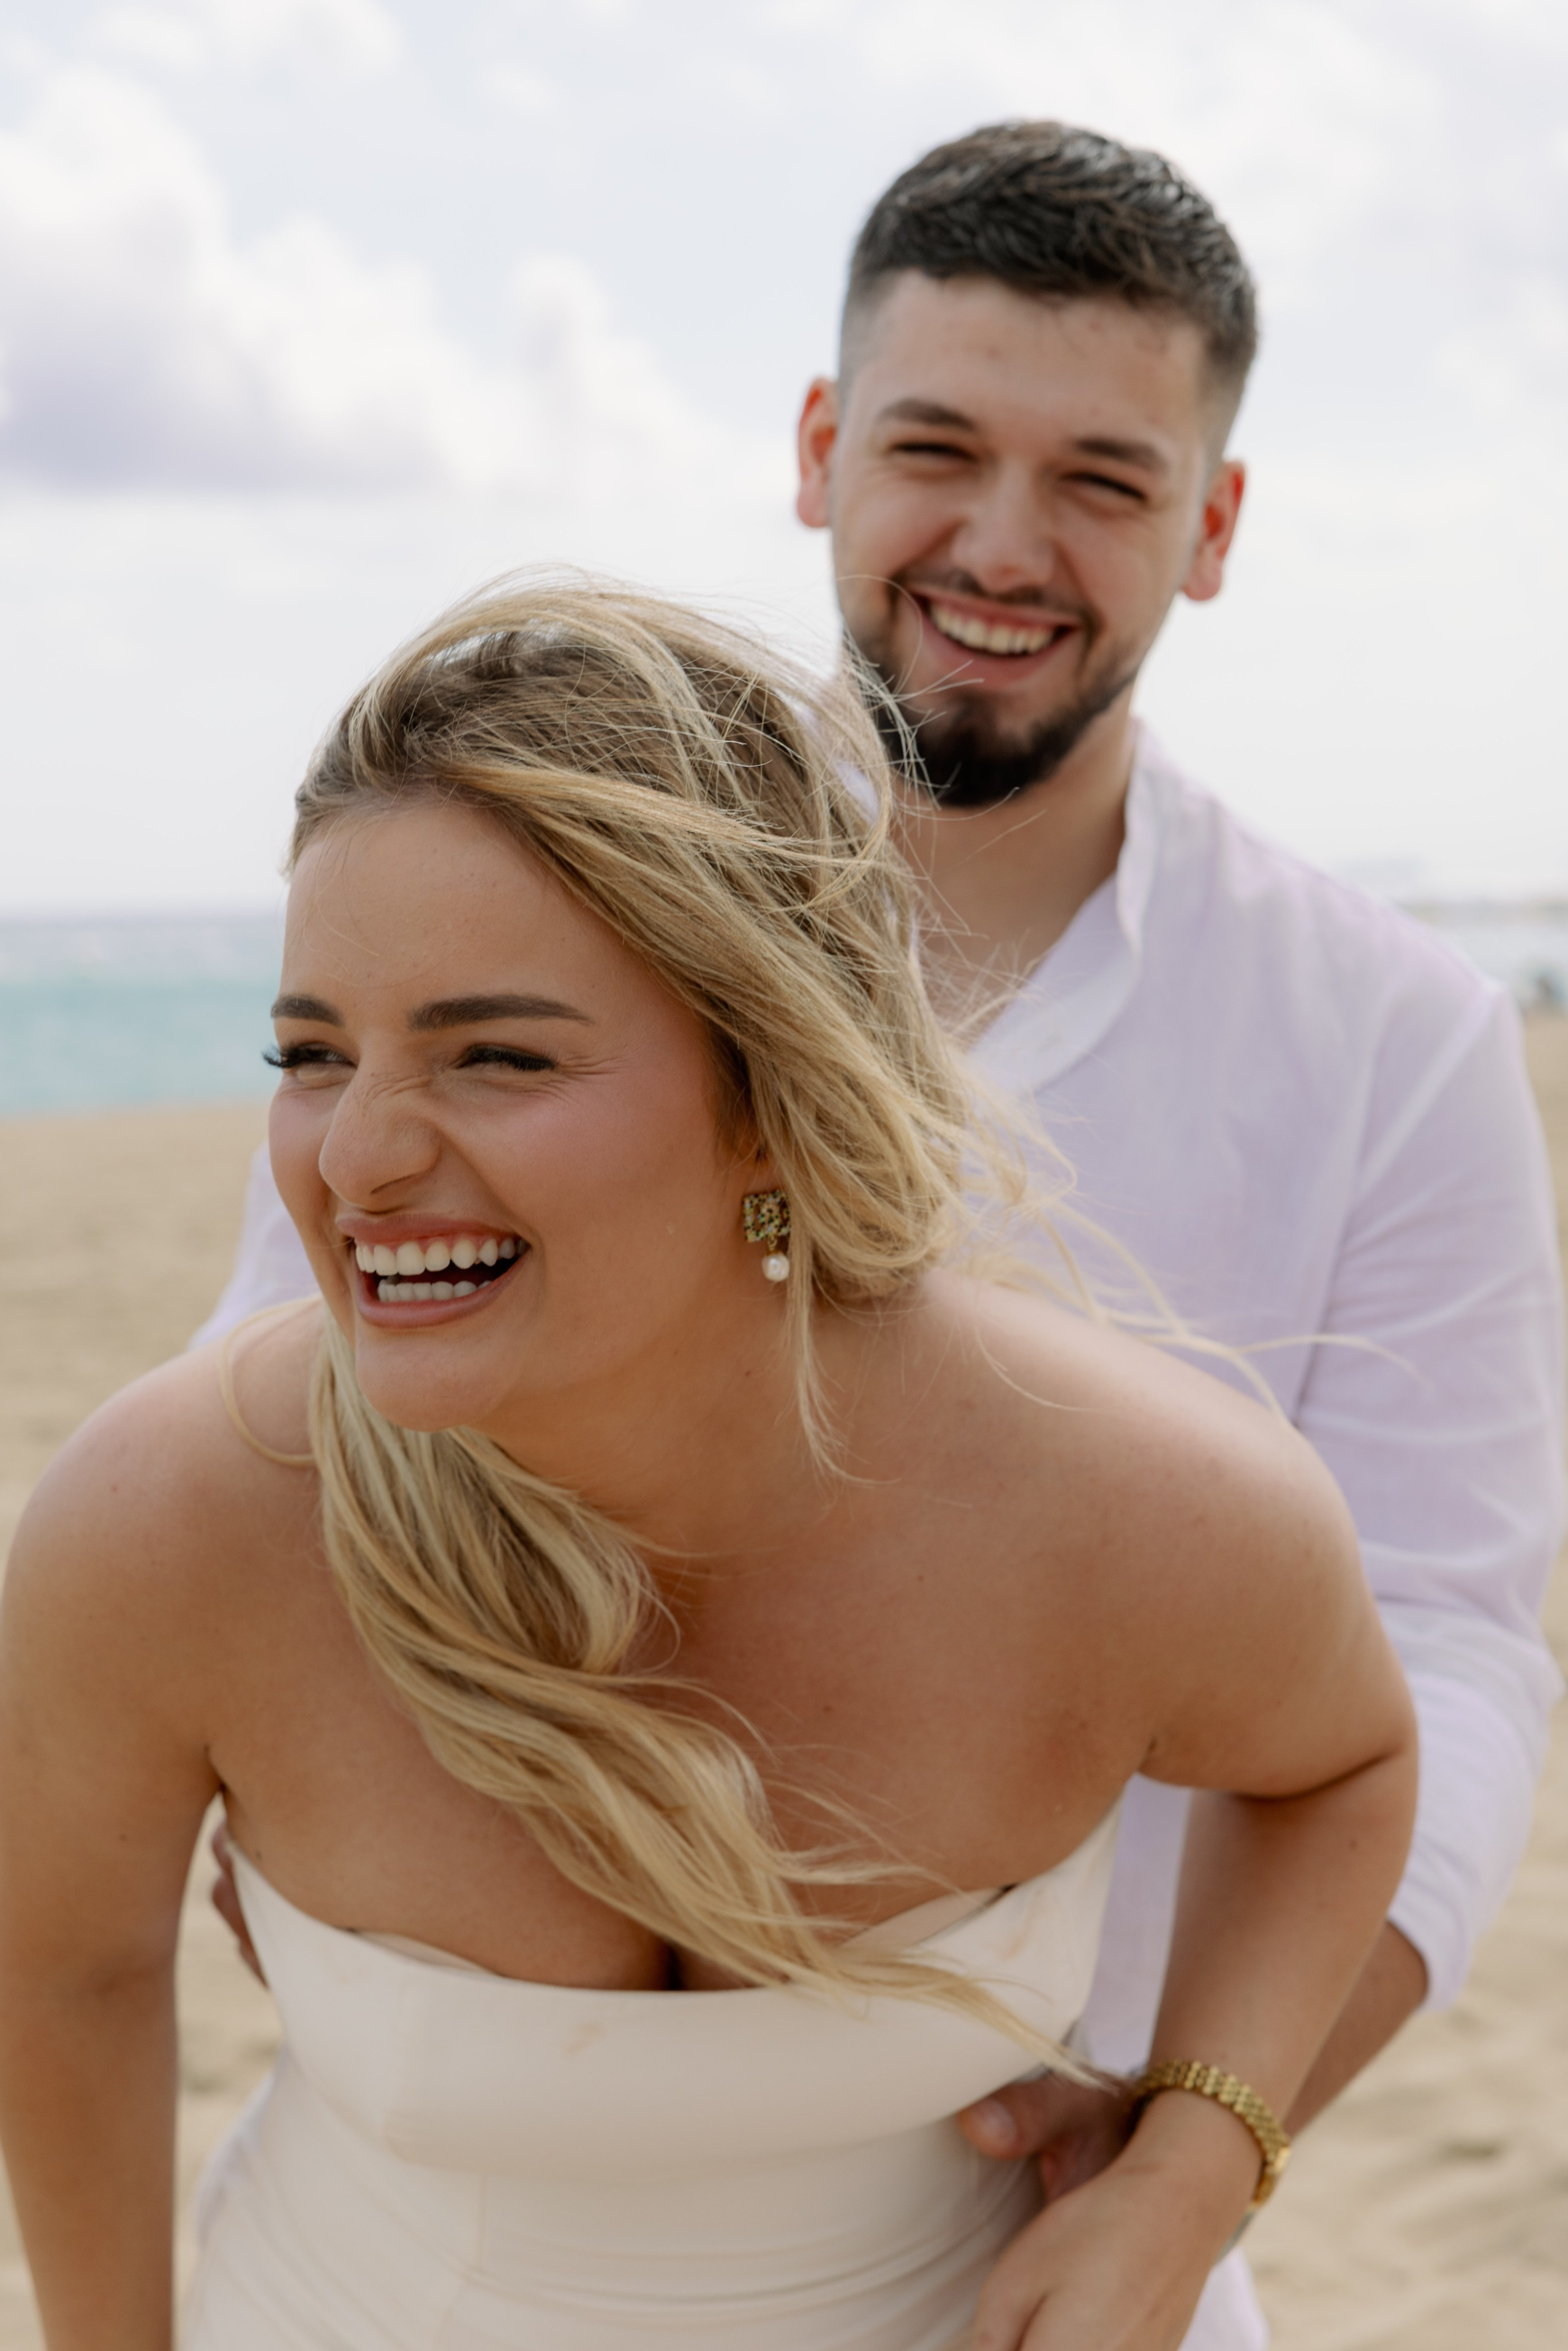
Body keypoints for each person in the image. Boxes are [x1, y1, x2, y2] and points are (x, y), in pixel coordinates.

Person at [197, 124, 1565, 2349]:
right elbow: (289, 1423)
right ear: (823, 453)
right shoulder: (514, 917)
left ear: (1213, 530)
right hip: (477, 2192)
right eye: (936, 448)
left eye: (1107, 481)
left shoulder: (1394, 1038)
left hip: (1047, 2219)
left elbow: (1449, 1645)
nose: (1003, 548)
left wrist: (1200, 2156)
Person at [0, 581, 1415, 2351]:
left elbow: (1345, 1759)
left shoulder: (1134, 1505)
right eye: (311, 1055)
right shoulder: (177, 1521)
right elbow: (66, 1972)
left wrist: (1201, 2159)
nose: (355, 1158)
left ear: (767, 1085)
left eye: (495, 1055)